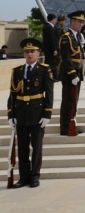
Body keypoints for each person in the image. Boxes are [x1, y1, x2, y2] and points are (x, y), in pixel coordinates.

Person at [6, 38, 54, 188]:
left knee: (36, 147)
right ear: (23, 54)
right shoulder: (17, 71)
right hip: (21, 113)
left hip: (37, 112)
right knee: (23, 147)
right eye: (27, 52)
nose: (29, 54)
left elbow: (49, 93)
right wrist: (11, 114)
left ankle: (35, 175)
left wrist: (47, 114)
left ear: (38, 53)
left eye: (32, 51)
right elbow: (12, 94)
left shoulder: (44, 69)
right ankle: (24, 177)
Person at [59, 10, 85, 136]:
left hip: (77, 71)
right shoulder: (66, 37)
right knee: (68, 101)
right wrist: (72, 74)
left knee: (74, 100)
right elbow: (66, 58)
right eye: (79, 21)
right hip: (70, 73)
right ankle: (65, 127)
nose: (81, 24)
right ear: (73, 21)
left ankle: (71, 123)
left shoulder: (77, 36)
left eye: (82, 22)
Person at [41, 14, 58, 79]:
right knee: (49, 63)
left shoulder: (47, 26)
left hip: (48, 48)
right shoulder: (48, 27)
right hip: (49, 49)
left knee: (49, 63)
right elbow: (51, 39)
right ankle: (48, 77)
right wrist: (54, 49)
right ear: (53, 19)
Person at [52, 15, 67, 81]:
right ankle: (57, 76)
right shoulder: (58, 27)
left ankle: (57, 76)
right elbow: (61, 36)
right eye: (64, 21)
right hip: (57, 47)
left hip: (58, 46)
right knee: (57, 63)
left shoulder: (58, 26)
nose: (64, 23)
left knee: (58, 62)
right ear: (61, 21)